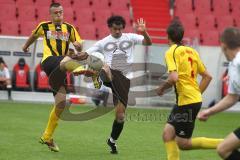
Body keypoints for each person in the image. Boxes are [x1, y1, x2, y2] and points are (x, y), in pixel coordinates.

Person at [22, 2, 95, 152]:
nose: (59, 15)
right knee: (66, 59)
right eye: (56, 13)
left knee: (61, 103)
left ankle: (47, 136)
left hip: (61, 68)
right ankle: (80, 69)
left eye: (61, 12)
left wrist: (79, 46)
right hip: (49, 62)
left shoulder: (69, 28)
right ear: (51, 14)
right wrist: (25, 46)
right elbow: (33, 36)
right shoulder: (44, 26)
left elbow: (78, 44)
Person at [80, 15, 152, 154]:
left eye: (120, 29)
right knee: (106, 67)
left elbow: (148, 43)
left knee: (120, 116)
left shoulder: (130, 38)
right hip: (111, 75)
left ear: (123, 28)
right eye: (115, 29)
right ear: (110, 28)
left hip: (124, 81)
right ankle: (98, 75)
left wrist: (144, 32)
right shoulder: (103, 42)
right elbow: (86, 53)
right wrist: (75, 55)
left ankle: (112, 140)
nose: (117, 31)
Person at [156, 19, 223, 160]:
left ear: (168, 37)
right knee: (167, 134)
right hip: (186, 101)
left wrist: (161, 87)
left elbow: (173, 78)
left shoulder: (171, 52)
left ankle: (227, 143)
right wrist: (196, 94)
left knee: (183, 143)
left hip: (187, 102)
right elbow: (207, 77)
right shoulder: (192, 51)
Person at [198, 27, 240, 160]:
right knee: (223, 149)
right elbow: (232, 97)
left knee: (224, 149)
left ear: (223, 44)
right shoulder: (233, 65)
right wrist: (209, 111)